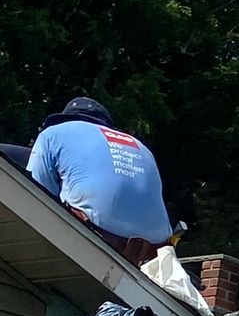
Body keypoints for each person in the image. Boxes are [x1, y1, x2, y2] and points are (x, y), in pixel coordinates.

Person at [27, 96, 173, 261]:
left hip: (96, 239)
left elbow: (36, 196)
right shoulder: (141, 147)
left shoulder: (52, 134)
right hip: (155, 254)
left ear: (66, 119)